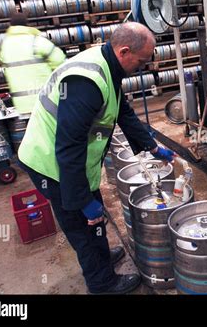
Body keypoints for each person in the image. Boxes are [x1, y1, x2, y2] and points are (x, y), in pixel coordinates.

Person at [17, 22, 175, 294]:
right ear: (124, 51)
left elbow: (122, 111)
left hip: (72, 160)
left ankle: (100, 255)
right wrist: (81, 200)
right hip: (50, 163)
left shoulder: (108, 64)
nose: (143, 66)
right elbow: (68, 148)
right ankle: (102, 283)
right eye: (141, 60)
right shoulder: (85, 83)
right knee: (81, 222)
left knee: (94, 216)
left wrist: (151, 147)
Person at [0, 12, 66, 116]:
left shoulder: (4, 46)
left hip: (22, 106)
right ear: (27, 25)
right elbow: (60, 60)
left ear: (11, 26)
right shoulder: (36, 41)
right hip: (45, 101)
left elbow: (3, 64)